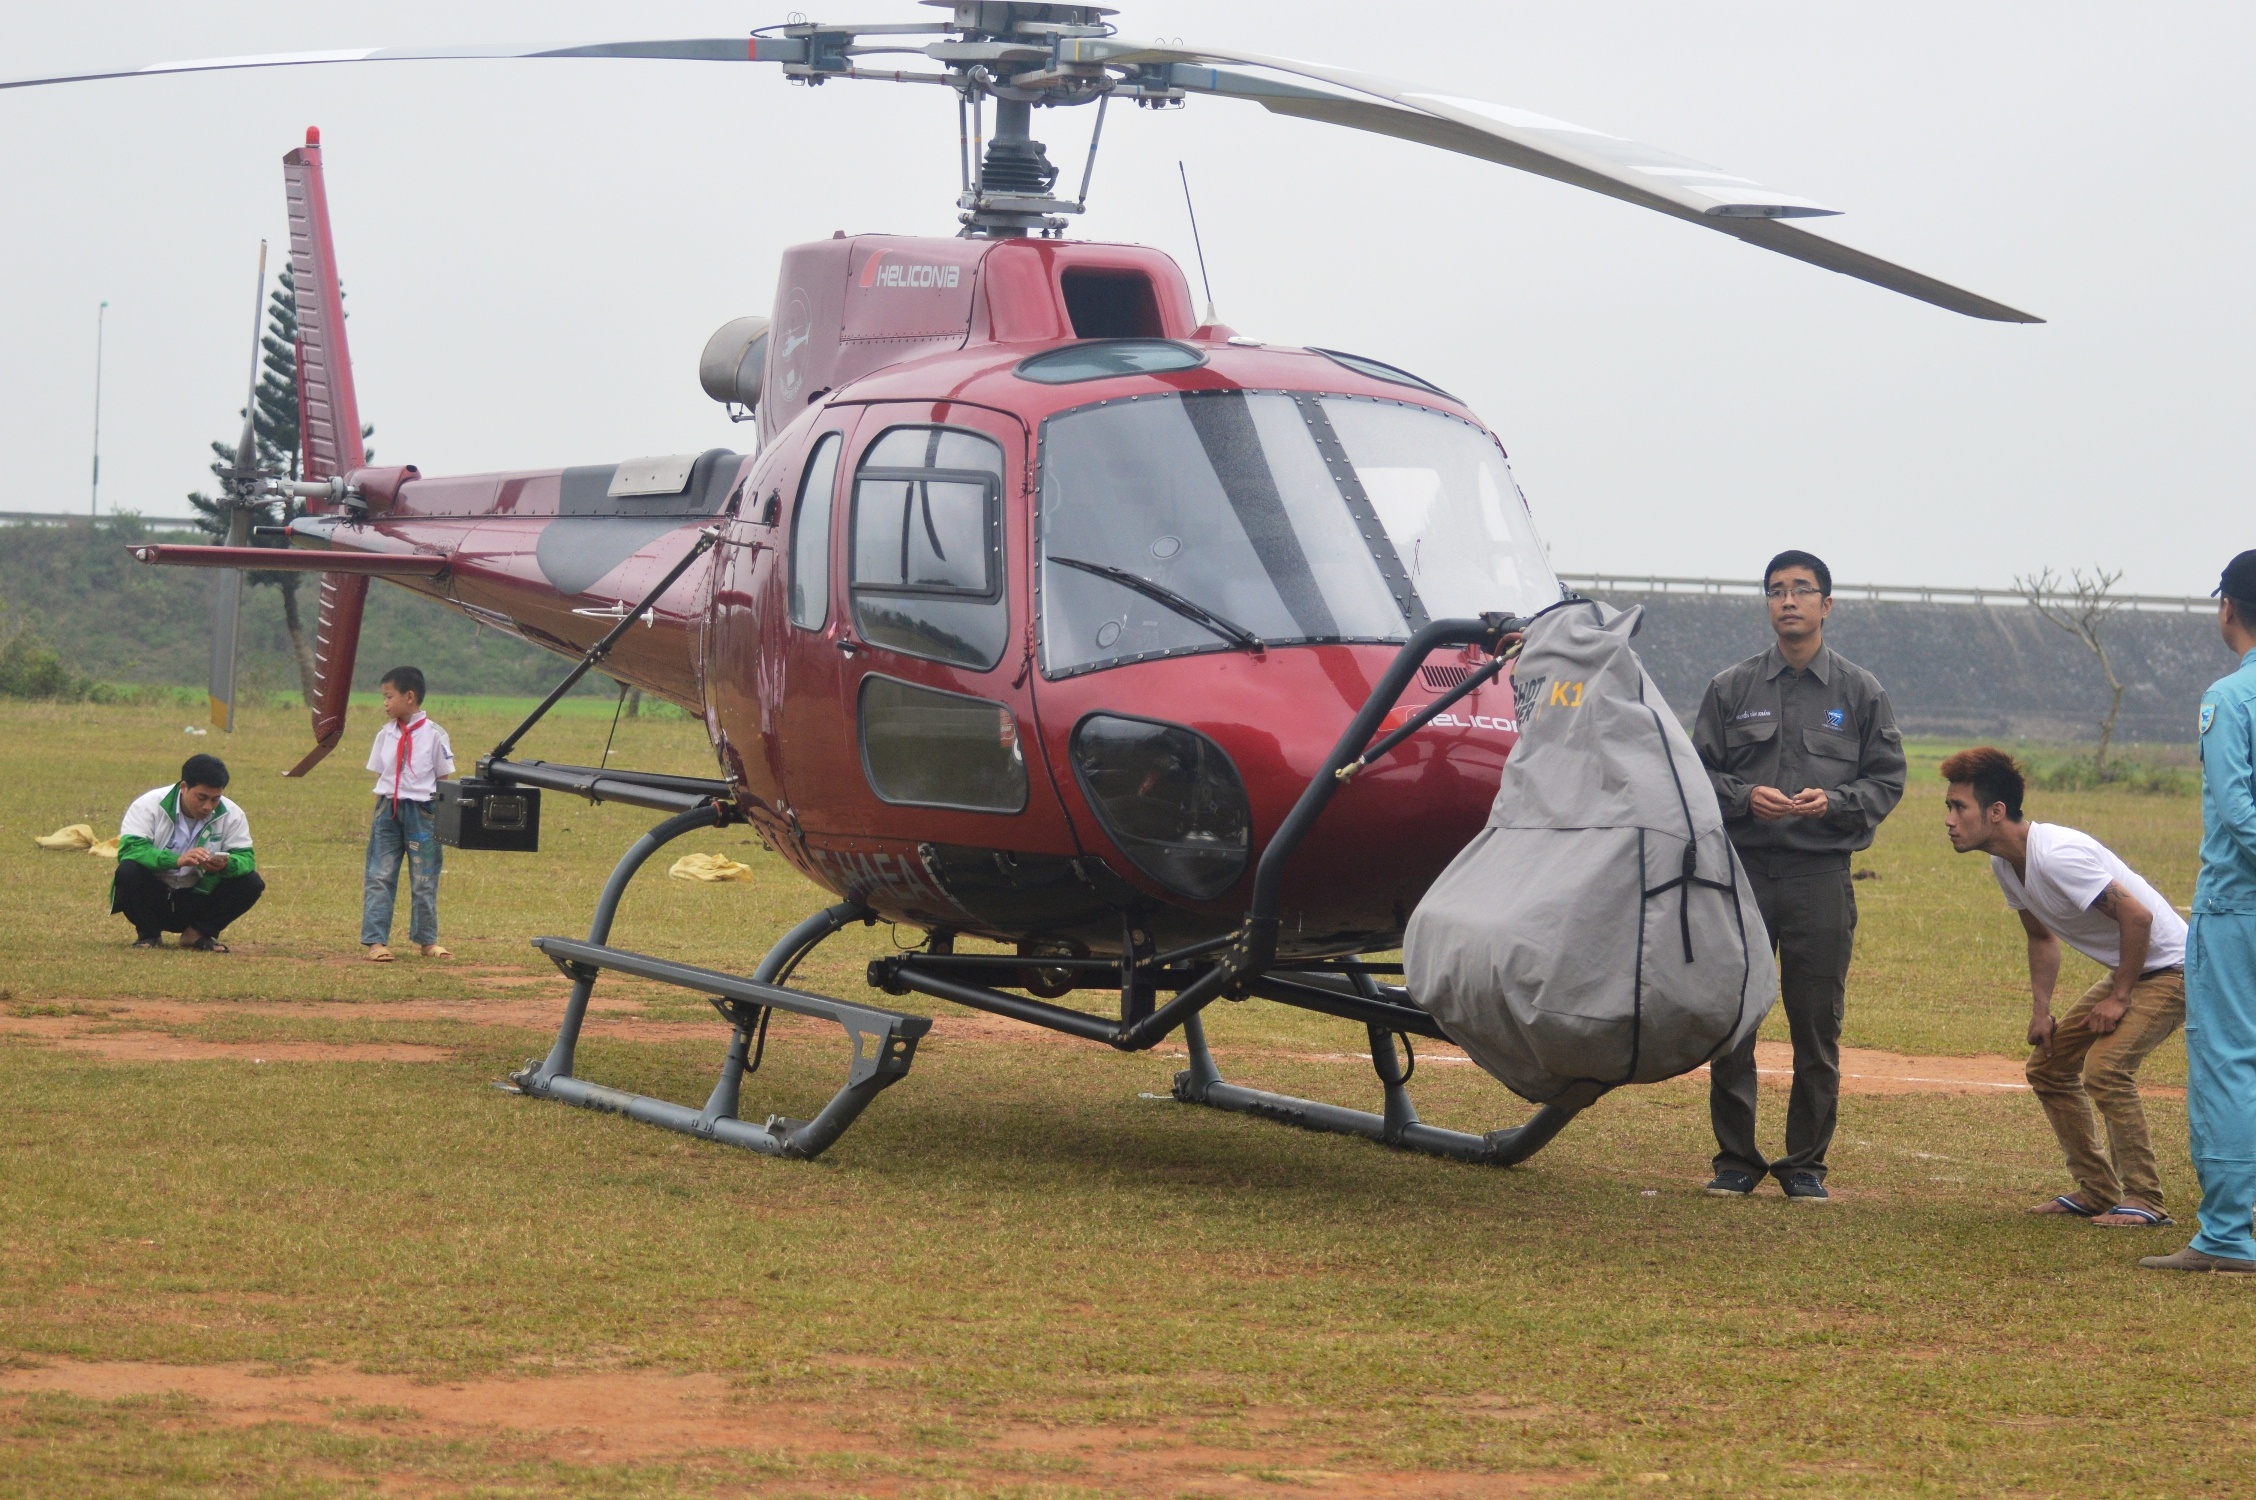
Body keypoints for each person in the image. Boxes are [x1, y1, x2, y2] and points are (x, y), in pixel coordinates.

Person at [1693, 550, 1906, 1201]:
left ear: (1826, 605)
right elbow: (1695, 773)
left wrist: (1836, 803)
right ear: (1768, 604)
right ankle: (1735, 1161)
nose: (1788, 601)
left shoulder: (1859, 692)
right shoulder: (1731, 690)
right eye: (1777, 591)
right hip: (1747, 874)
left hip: (1820, 878)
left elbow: (1887, 778)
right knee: (1735, 1018)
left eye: (1802, 590)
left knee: (1816, 1025)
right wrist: (1740, 796)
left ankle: (1806, 1165)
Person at [1940, 747, 2186, 1228]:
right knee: (2050, 1068)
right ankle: (2097, 1190)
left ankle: (2145, 1200)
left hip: (2174, 968)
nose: (1949, 820)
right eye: (1948, 808)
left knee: (2108, 1069)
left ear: (1996, 812)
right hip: (2133, 968)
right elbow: (2040, 935)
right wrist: (2041, 1011)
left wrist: (2119, 997)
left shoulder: (2056, 856)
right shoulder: (2005, 864)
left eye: (1959, 807)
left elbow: (2138, 916)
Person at [2143, 550, 2256, 1273]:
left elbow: (2239, 809)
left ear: (2228, 608)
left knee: (2226, 1059)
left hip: (2236, 907)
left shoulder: (2229, 697)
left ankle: (2224, 1232)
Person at [112, 752, 264, 951]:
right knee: (127, 871)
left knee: (252, 882)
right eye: (202, 797)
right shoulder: (148, 805)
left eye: (215, 799)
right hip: (155, 894)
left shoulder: (233, 814)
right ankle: (149, 934)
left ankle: (197, 933)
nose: (208, 806)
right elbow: (131, 850)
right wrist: (176, 860)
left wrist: (227, 865)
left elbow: (246, 859)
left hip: (199, 895)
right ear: (184, 787)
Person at [362, 665, 455, 962]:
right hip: (388, 810)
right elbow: (381, 772)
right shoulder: (384, 735)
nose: (385, 703)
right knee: (380, 874)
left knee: (424, 878)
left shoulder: (436, 736)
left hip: (423, 812)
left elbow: (443, 779)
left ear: (410, 697)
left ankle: (427, 941)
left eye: (389, 696)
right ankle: (376, 942)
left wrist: (437, 816)